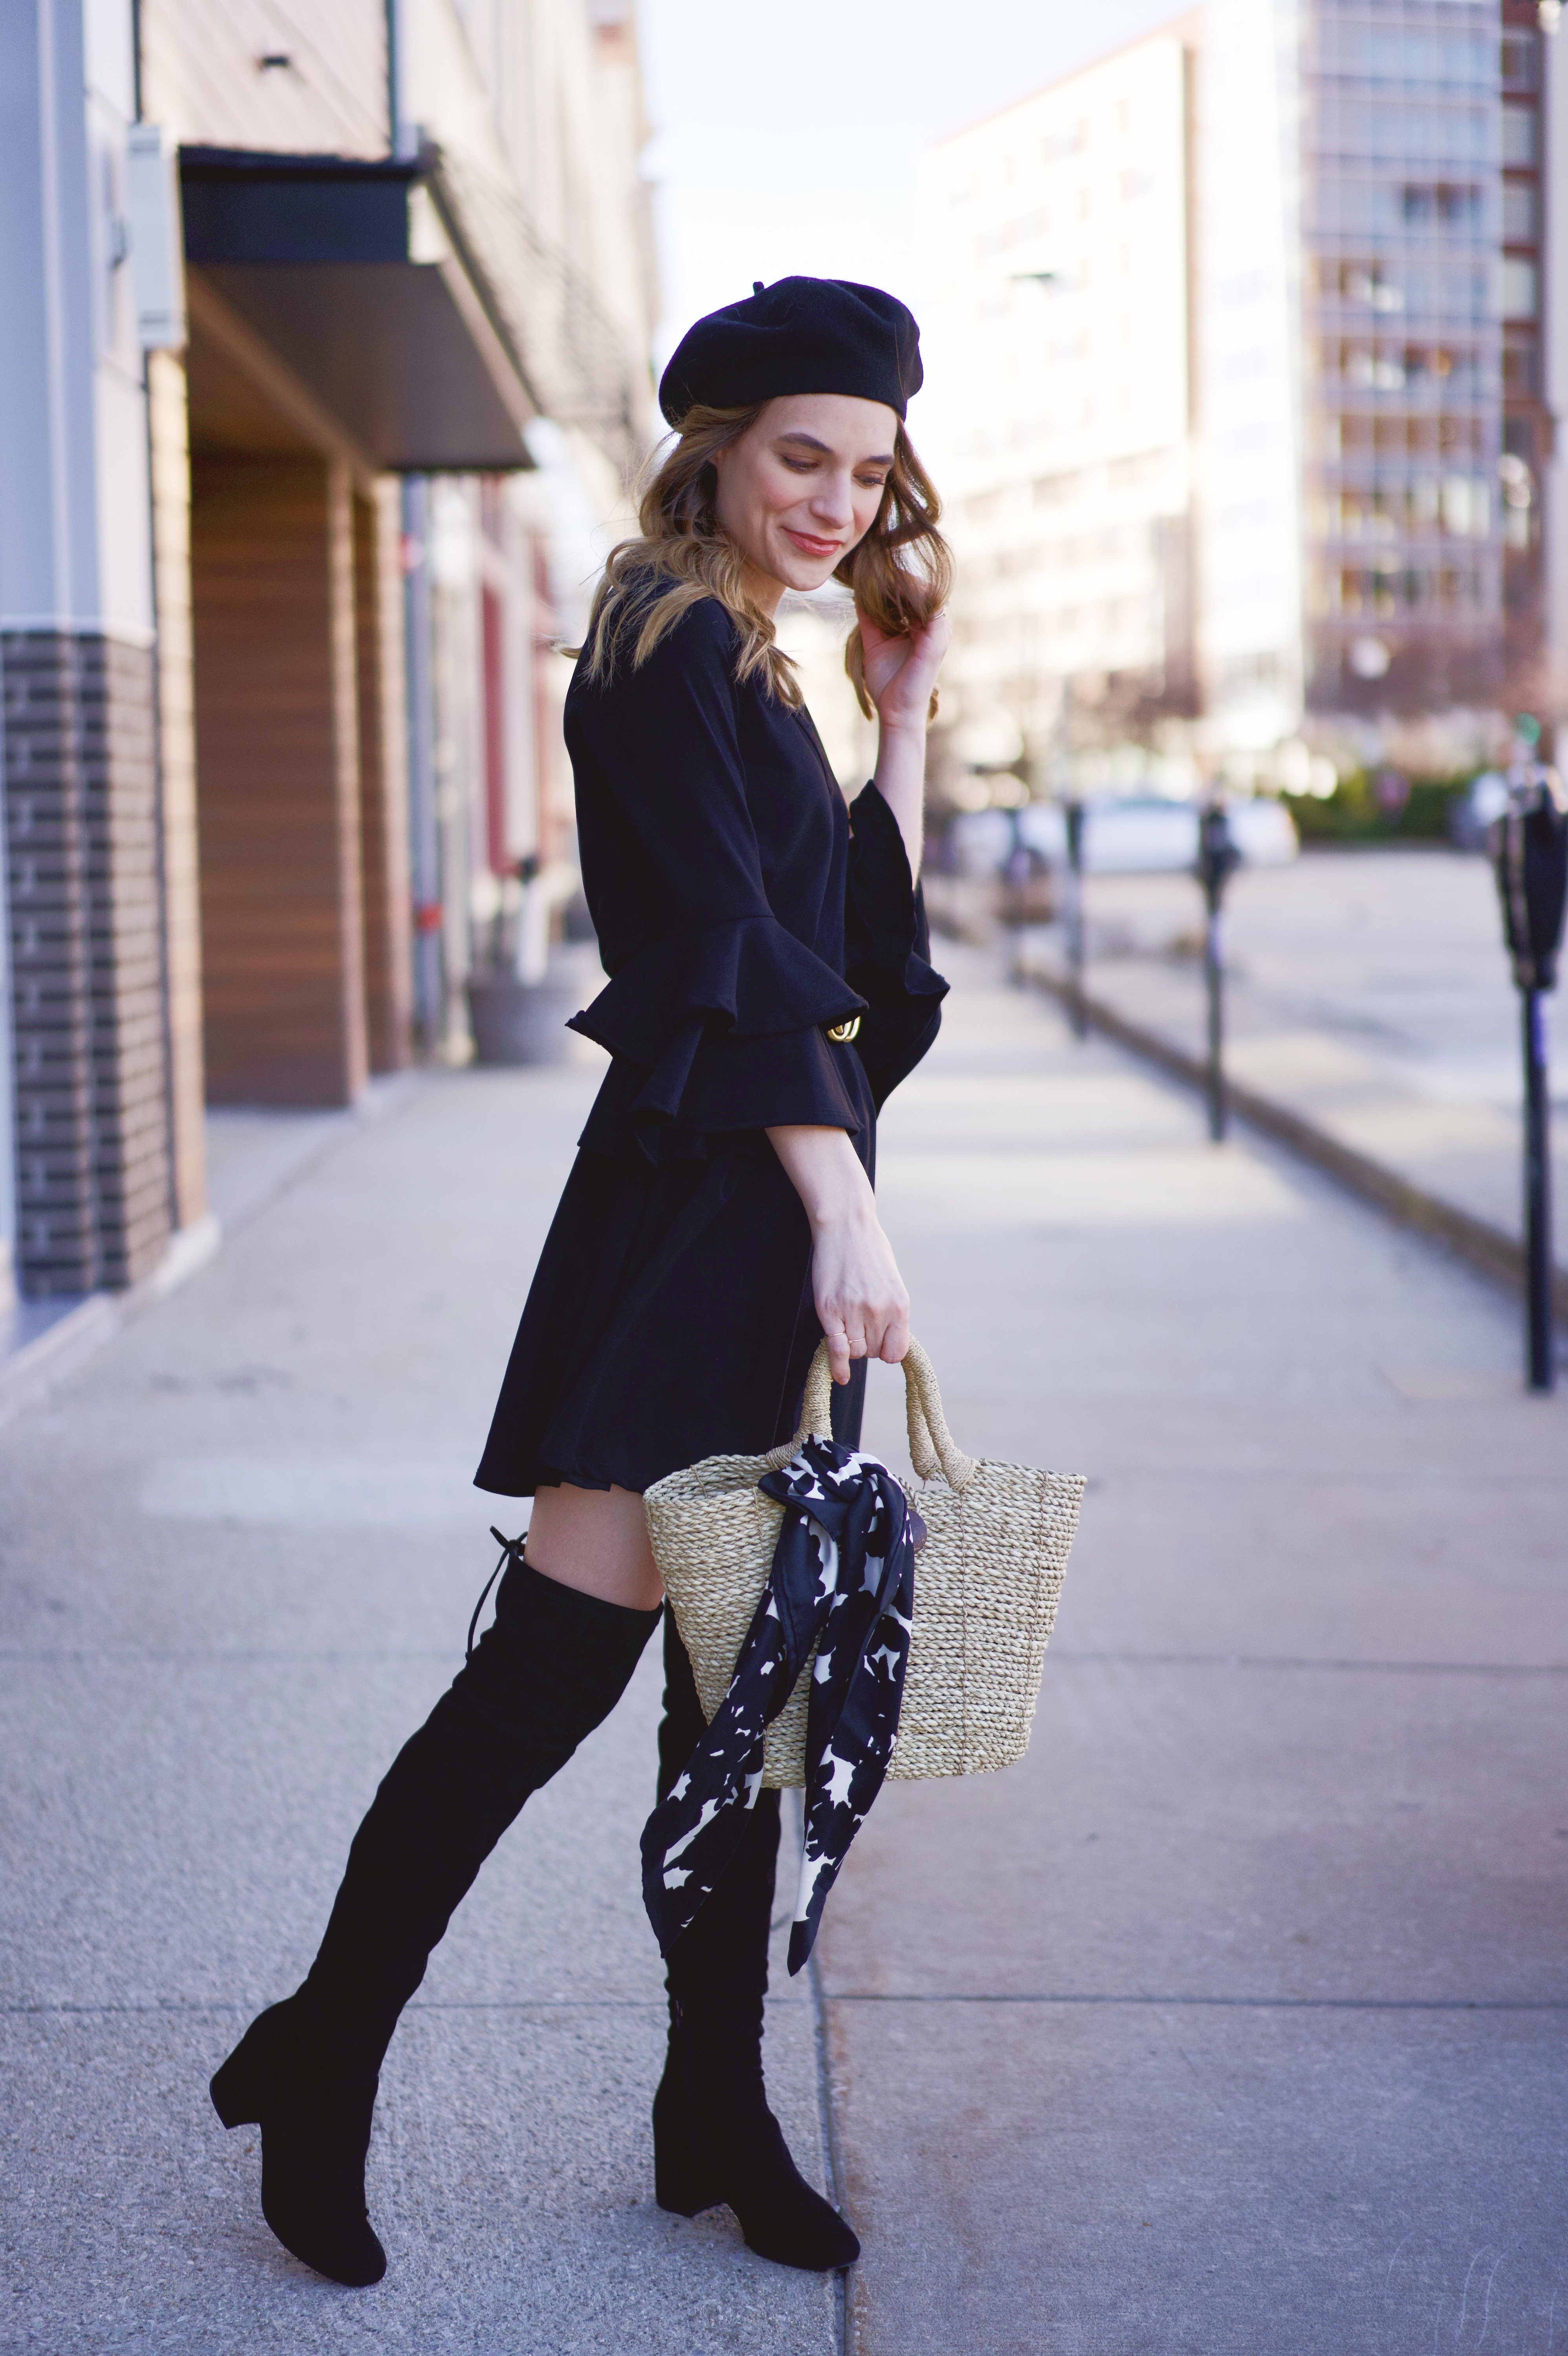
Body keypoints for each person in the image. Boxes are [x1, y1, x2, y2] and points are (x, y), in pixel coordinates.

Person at [208, 275, 952, 2288]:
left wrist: (899, 714)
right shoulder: (657, 648)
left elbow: (861, 963)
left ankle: (708, 2110)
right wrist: (844, 1210)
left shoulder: (775, 668)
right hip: (701, 1226)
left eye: (870, 470)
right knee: (544, 1682)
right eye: (804, 454)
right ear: (713, 437)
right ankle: (324, 2056)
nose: (836, 499)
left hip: (766, 1222)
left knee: (735, 1711)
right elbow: (721, 944)